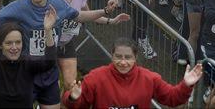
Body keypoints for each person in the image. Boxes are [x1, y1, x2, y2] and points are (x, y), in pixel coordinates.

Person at [0, 0, 120, 109]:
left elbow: (80, 16)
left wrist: (106, 11)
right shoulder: (18, 7)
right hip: (26, 72)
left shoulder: (58, 4)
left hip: (49, 71)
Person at [49, 0, 129, 88]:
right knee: (52, 83)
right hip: (50, 45)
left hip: (67, 44)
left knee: (70, 82)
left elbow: (91, 16)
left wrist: (112, 21)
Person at [62, 37, 203, 108]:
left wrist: (186, 85)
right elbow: (74, 105)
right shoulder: (96, 77)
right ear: (112, 55)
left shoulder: (149, 78)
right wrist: (73, 97)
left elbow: (172, 98)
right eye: (118, 57)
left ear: (136, 57)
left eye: (128, 57)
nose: (123, 62)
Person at [0, 5, 57, 108]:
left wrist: (48, 31)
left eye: (18, 42)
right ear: (0, 45)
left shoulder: (27, 62)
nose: (14, 47)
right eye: (9, 43)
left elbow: (49, 62)